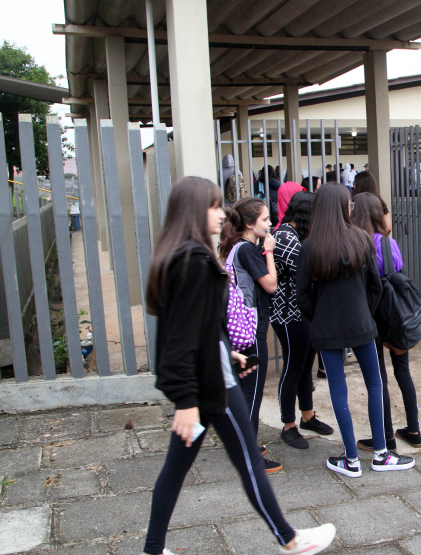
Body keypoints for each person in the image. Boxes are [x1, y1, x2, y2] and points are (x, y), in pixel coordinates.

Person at [141, 176, 335, 555]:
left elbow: (196, 327)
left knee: (176, 470)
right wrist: (185, 401)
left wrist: (228, 352)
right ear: (195, 211)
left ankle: (152, 549)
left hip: (209, 376)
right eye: (214, 206)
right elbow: (175, 341)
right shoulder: (192, 261)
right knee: (248, 460)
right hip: (209, 387)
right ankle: (290, 539)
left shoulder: (181, 255)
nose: (222, 213)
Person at [296, 184, 415, 477]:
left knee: (339, 390)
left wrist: (322, 316)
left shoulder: (311, 245)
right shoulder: (361, 238)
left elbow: (303, 297)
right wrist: (363, 311)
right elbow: (375, 288)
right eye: (349, 204)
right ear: (342, 207)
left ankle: (350, 459)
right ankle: (381, 454)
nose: (351, 208)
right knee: (374, 384)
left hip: (328, 328)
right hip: (362, 324)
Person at [351, 192, 421, 449]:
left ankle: (387, 436)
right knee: (402, 371)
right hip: (395, 316)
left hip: (370, 316)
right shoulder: (387, 243)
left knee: (377, 377)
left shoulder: (357, 243)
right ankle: (414, 430)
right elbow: (397, 270)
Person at [218, 197, 281, 473]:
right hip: (251, 332)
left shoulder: (237, 247)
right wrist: (268, 252)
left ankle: (244, 444)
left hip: (241, 331)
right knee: (252, 395)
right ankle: (249, 454)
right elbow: (270, 285)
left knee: (245, 392)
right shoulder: (248, 250)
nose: (269, 224)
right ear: (249, 224)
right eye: (265, 220)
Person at [270, 191, 335, 450]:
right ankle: (288, 424)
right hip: (287, 315)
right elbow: (309, 268)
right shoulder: (285, 235)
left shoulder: (298, 235)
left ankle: (307, 416)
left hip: (302, 312)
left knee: (305, 365)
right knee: (293, 367)